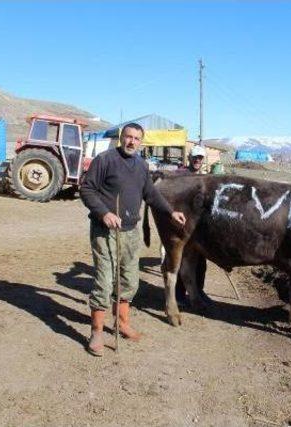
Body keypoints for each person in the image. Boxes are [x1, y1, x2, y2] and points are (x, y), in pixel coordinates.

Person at [80, 123, 185, 357]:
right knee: (105, 282)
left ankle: (121, 322)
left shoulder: (141, 165)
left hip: (130, 231)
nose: (131, 142)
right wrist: (104, 213)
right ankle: (97, 331)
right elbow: (86, 189)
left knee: (129, 281)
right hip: (105, 231)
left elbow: (151, 194)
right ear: (121, 137)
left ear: (141, 142)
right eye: (128, 137)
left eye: (136, 138)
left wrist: (170, 212)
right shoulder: (105, 160)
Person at [173, 144, 211, 308]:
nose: (197, 160)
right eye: (195, 157)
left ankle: (198, 292)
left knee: (201, 263)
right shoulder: (180, 176)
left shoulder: (206, 178)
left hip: (200, 228)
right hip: (183, 225)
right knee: (183, 261)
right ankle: (179, 294)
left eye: (200, 158)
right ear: (189, 157)